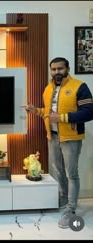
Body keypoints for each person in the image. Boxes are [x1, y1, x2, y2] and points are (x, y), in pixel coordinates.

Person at [23, 57, 93, 229]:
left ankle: (71, 209)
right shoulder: (48, 89)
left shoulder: (79, 86)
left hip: (71, 138)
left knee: (72, 173)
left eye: (60, 69)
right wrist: (36, 111)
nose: (56, 72)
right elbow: (49, 113)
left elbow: (89, 112)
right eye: (53, 69)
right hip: (52, 136)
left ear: (67, 69)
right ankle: (63, 197)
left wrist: (62, 118)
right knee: (57, 169)